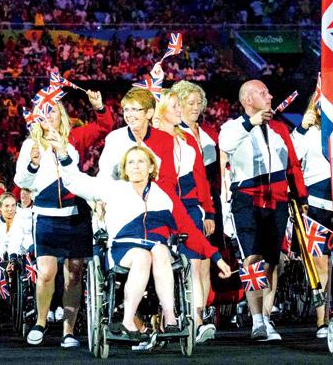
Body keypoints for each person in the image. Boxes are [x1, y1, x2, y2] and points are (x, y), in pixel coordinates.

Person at [51, 143, 231, 339]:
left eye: (141, 161)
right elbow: (76, 182)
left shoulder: (164, 195)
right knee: (142, 256)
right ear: (125, 168)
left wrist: (217, 258)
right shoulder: (114, 189)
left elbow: (190, 230)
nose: (135, 166)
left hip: (158, 249)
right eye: (131, 162)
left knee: (160, 250)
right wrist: (63, 154)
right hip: (124, 249)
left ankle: (170, 317)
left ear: (152, 167)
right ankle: (128, 320)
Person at [14, 89, 111, 348]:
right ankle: (41, 322)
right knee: (46, 272)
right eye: (44, 113)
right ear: (37, 117)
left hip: (76, 215)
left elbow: (105, 126)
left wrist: (99, 107)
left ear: (61, 115)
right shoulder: (30, 145)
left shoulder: (75, 138)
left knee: (74, 273)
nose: (49, 117)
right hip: (45, 216)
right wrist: (33, 164)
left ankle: (69, 330)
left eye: (54, 112)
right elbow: (21, 182)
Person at [219, 80, 308, 342]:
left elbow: (292, 164)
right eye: (262, 93)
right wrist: (251, 123)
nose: (269, 96)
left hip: (278, 198)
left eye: (269, 92)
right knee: (252, 259)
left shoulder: (280, 128)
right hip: (247, 198)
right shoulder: (234, 126)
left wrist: (300, 196)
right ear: (247, 99)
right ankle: (256, 318)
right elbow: (226, 143)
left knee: (272, 261)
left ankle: (266, 318)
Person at [154, 90, 217, 343]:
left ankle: (198, 320)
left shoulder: (188, 140)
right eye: (175, 106)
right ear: (161, 112)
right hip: (160, 207)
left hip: (190, 206)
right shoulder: (150, 139)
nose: (180, 109)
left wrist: (208, 210)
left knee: (195, 263)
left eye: (182, 105)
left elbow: (201, 178)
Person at [290, 93, 332, 338]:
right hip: (315, 204)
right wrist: (301, 128)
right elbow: (292, 156)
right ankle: (322, 320)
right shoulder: (308, 131)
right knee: (320, 263)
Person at [97, 87, 177, 190]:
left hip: (156, 196)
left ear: (149, 113)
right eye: (126, 110)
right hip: (122, 195)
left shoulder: (165, 139)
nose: (129, 115)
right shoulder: (114, 139)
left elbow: (168, 179)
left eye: (134, 109)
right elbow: (106, 176)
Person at [0, 192, 18, 258]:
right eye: (7, 206)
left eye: (13, 205)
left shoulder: (23, 222)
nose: (10, 209)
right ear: (0, 207)